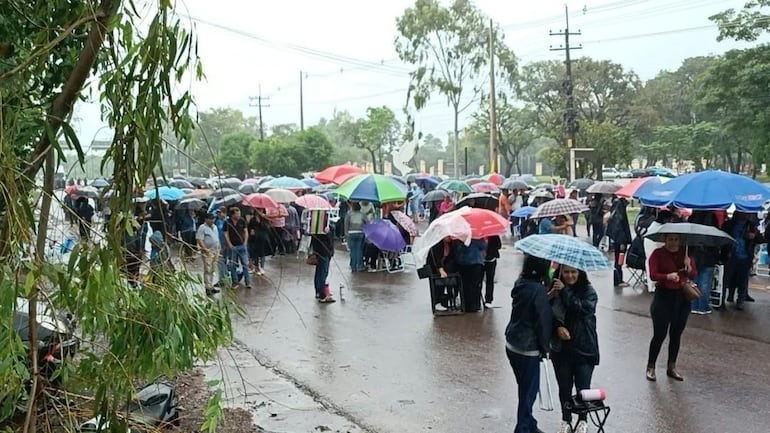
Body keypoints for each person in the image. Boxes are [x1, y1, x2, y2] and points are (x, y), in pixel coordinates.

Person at [549, 265, 599, 433]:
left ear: (580, 273)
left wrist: (564, 292)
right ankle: (566, 419)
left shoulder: (589, 292)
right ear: (561, 272)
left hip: (584, 347)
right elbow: (547, 315)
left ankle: (583, 420)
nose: (569, 276)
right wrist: (557, 327)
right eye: (566, 272)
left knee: (583, 388)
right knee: (564, 387)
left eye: (573, 272)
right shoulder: (554, 288)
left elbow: (580, 309)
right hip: (561, 349)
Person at [506, 254, 552, 433]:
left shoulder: (521, 283)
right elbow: (542, 320)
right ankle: (523, 428)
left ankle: (529, 423)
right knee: (528, 392)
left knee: (524, 388)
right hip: (528, 348)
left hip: (512, 342)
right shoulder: (538, 290)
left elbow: (529, 306)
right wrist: (545, 347)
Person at [646, 233, 697, 382]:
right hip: (663, 297)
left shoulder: (685, 254)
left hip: (681, 299)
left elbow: (693, 274)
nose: (673, 243)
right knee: (659, 334)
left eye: (676, 239)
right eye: (670, 239)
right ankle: (651, 366)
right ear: (665, 240)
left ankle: (672, 367)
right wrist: (667, 276)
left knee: (676, 335)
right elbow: (653, 274)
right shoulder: (658, 254)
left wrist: (688, 266)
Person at [197, 213, 221, 295]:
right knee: (207, 269)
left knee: (213, 269)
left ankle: (211, 285)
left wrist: (219, 248)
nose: (212, 220)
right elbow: (200, 240)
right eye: (210, 219)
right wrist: (205, 249)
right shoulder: (202, 228)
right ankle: (207, 287)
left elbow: (217, 238)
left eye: (213, 219)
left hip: (216, 250)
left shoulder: (215, 227)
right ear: (206, 219)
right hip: (207, 251)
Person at [310, 228, 336, 303]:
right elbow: (328, 240)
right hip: (324, 251)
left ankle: (318, 292)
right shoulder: (324, 228)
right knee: (323, 273)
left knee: (319, 272)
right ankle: (323, 294)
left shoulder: (315, 227)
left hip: (318, 251)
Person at [344, 202, 366, 272]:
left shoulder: (349, 214)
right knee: (359, 250)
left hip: (351, 233)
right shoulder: (362, 214)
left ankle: (353, 266)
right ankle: (359, 265)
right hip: (360, 233)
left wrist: (346, 233)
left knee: (353, 250)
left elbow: (346, 224)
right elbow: (367, 222)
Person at [483, 235, 502, 308]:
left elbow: (499, 246)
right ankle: (477, 299)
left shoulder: (494, 235)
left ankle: (488, 300)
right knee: (478, 281)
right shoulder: (478, 236)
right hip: (480, 260)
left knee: (490, 280)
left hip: (491, 260)